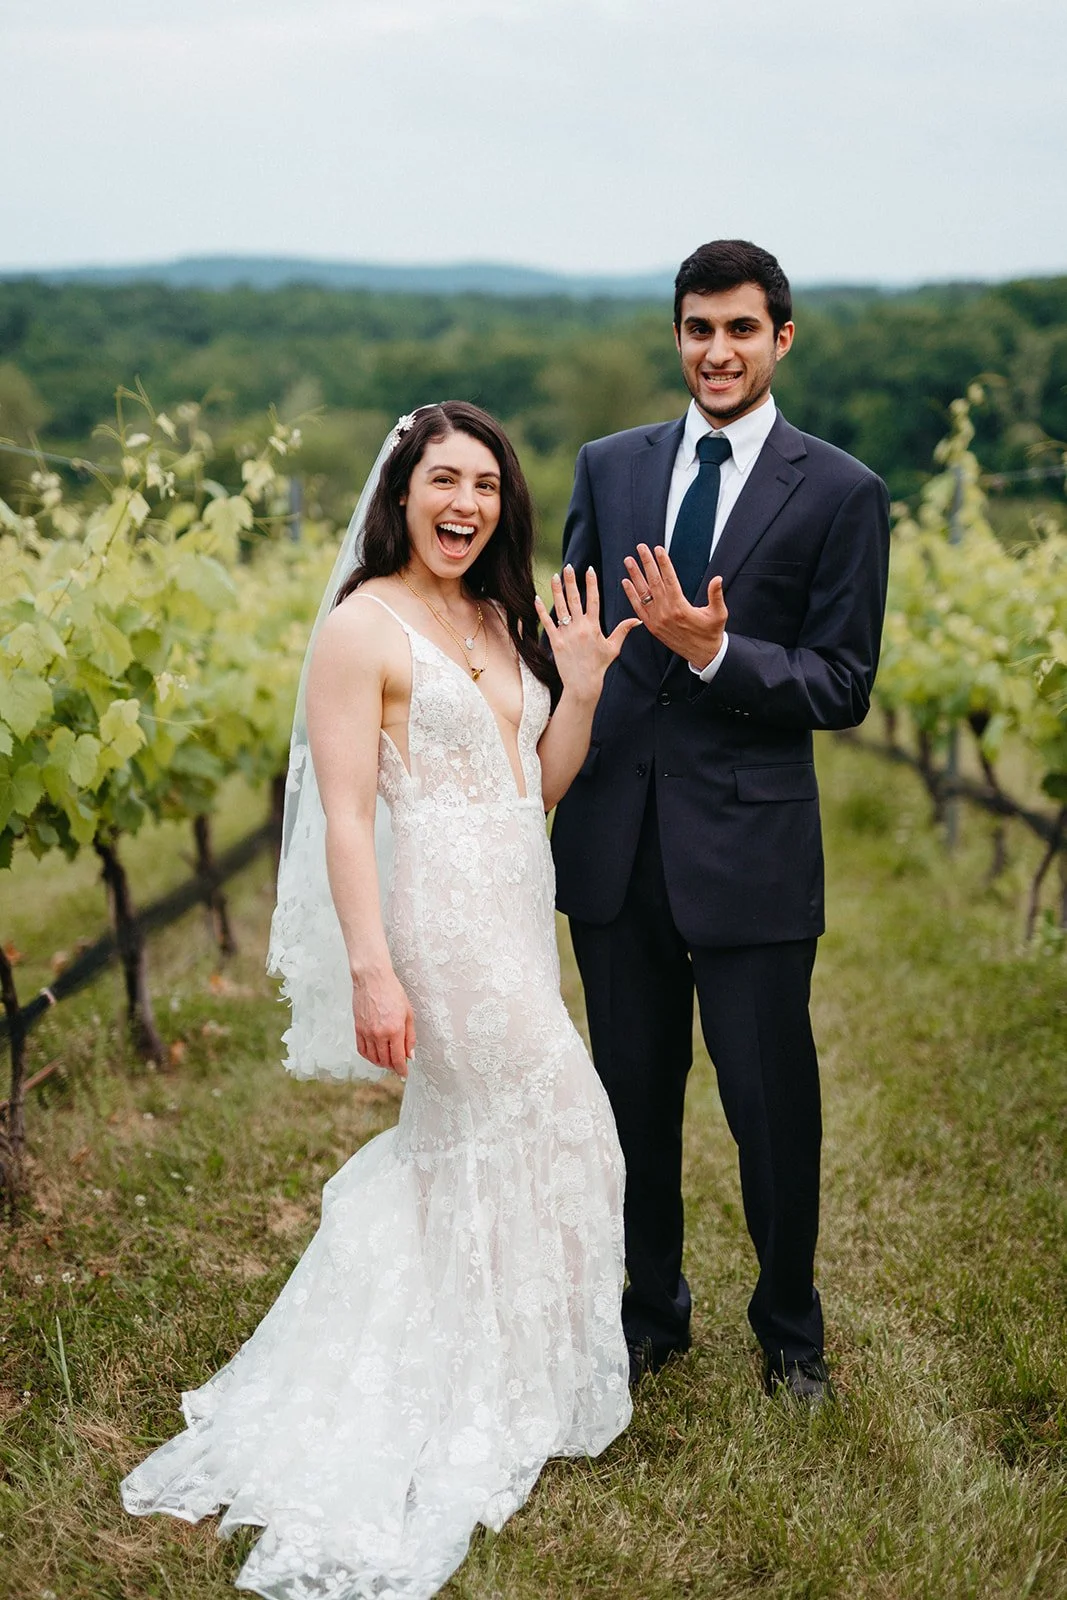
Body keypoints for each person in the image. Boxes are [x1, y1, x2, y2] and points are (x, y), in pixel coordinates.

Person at [120, 402, 639, 1600]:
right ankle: (465, 1377)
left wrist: (589, 688)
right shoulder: (362, 627)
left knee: (487, 1138)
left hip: (514, 902)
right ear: (400, 491)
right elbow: (347, 812)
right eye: (443, 480)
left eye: (486, 485)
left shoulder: (497, 617)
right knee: (559, 1114)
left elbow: (536, 789)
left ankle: (503, 1365)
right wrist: (371, 964)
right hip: (436, 926)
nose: (466, 503)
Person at [551, 240, 891, 1404]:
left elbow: (842, 682)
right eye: (697, 328)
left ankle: (788, 1332)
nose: (716, 351)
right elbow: (577, 643)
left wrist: (716, 653)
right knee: (630, 1098)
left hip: (747, 851)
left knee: (766, 1107)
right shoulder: (607, 468)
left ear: (779, 338)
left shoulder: (840, 492)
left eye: (739, 329)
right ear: (678, 334)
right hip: (612, 847)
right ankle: (650, 1313)